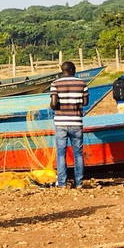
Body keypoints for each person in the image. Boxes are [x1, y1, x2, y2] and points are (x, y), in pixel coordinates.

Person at [50, 61, 89, 189]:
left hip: (61, 122)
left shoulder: (55, 84)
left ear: (63, 70)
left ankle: (62, 182)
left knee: (61, 153)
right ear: (72, 70)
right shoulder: (82, 83)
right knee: (78, 153)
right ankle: (79, 182)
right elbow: (85, 102)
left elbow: (54, 103)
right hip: (76, 122)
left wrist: (53, 106)